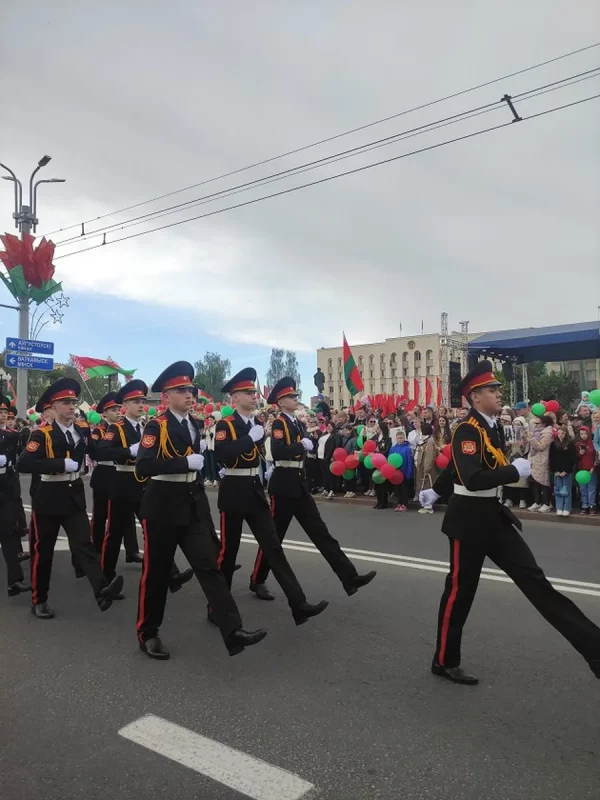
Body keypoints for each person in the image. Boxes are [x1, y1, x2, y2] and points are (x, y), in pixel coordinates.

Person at [419, 360, 600, 685]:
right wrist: (512, 472)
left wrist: (436, 490)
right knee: (460, 593)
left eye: (498, 388)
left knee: (536, 582)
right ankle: (444, 660)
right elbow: (471, 477)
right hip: (468, 522)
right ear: (475, 397)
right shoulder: (467, 429)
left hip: (494, 517)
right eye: (492, 389)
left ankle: (595, 650)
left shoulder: (491, 426)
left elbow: (458, 469)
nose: (498, 393)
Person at [134, 361, 266, 660]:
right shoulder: (157, 425)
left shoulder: (194, 423)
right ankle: (148, 632)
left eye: (191, 389)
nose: (189, 394)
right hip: (162, 506)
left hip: (191, 503)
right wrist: (183, 463)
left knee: (210, 567)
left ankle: (233, 630)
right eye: (181, 390)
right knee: (155, 574)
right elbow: (142, 467)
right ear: (166, 396)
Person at [214, 367, 328, 625]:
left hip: (254, 490)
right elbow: (221, 454)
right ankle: (217, 608)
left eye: (254, 392)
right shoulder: (226, 424)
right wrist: (248, 440)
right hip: (233, 491)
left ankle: (298, 604)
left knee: (274, 547)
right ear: (234, 398)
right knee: (228, 553)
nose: (254, 396)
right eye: (248, 392)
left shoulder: (255, 424)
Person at [249, 377, 375, 601]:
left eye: (296, 396)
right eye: (291, 397)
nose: (296, 399)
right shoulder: (280, 423)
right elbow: (278, 451)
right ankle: (257, 579)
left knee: (321, 534)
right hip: (284, 485)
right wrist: (300, 445)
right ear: (280, 402)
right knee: (273, 539)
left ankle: (349, 576)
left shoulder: (296, 423)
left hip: (299, 482)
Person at [18, 378, 124, 619]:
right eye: (65, 402)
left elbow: (98, 452)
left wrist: (129, 451)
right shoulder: (41, 434)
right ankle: (39, 599)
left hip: (74, 495)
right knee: (43, 551)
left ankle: (101, 590)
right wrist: (57, 464)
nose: (71, 407)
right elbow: (24, 463)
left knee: (84, 545)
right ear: (53, 407)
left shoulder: (82, 431)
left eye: (73, 402)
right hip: (48, 496)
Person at [99, 379, 194, 594]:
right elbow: (101, 451)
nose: (141, 405)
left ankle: (171, 573)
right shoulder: (116, 428)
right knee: (114, 533)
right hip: (122, 484)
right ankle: (106, 577)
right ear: (125, 405)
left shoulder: (147, 426)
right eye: (135, 401)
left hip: (144, 485)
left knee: (152, 532)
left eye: (142, 400)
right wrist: (126, 452)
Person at [90, 392, 141, 561]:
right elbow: (97, 452)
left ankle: (132, 551)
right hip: (105, 475)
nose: (117, 412)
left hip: (122, 475)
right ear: (104, 414)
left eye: (119, 408)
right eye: (112, 410)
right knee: (101, 514)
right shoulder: (100, 430)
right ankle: (97, 548)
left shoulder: (127, 427)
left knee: (127, 516)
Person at [0, 393, 31, 597]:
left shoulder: (11, 435)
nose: (3, 415)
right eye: (0, 412)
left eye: (4, 411)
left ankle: (15, 581)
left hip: (5, 487)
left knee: (9, 532)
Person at [528, 415, 554, 512]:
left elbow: (541, 446)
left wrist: (532, 439)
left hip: (543, 460)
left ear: (544, 423)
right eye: (535, 423)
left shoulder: (547, 433)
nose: (536, 425)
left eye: (538, 423)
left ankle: (546, 503)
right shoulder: (535, 432)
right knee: (535, 481)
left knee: (543, 482)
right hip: (535, 459)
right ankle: (537, 502)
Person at [549, 425, 577, 517]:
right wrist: (555, 471)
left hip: (566, 471)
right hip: (557, 471)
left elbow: (572, 459)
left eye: (563, 433)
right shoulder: (553, 444)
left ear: (566, 434)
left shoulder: (570, 444)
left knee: (566, 490)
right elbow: (551, 458)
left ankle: (567, 508)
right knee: (558, 490)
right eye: (559, 433)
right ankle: (559, 507)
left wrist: (566, 471)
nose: (560, 435)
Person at [389, 429, 414, 512]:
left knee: (404, 490)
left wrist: (409, 473)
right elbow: (390, 460)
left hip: (404, 473)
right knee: (397, 490)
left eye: (401, 438)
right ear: (396, 439)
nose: (399, 439)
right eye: (398, 438)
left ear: (404, 438)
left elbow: (410, 461)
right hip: (395, 473)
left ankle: (404, 504)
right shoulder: (393, 449)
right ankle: (398, 503)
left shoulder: (407, 449)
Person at [575, 426, 597, 516]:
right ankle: (585, 505)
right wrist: (580, 453)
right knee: (583, 489)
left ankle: (592, 505)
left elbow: (596, 457)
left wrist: (593, 467)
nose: (584, 435)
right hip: (581, 470)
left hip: (591, 469)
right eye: (582, 434)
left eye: (585, 433)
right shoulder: (577, 445)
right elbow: (575, 458)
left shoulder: (593, 444)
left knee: (591, 489)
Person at [373, 420, 392, 510]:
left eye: (378, 427)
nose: (376, 429)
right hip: (375, 462)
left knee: (383, 483)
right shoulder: (376, 437)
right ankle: (378, 501)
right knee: (376, 483)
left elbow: (387, 450)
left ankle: (384, 503)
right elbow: (368, 443)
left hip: (383, 462)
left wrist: (379, 453)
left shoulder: (387, 438)